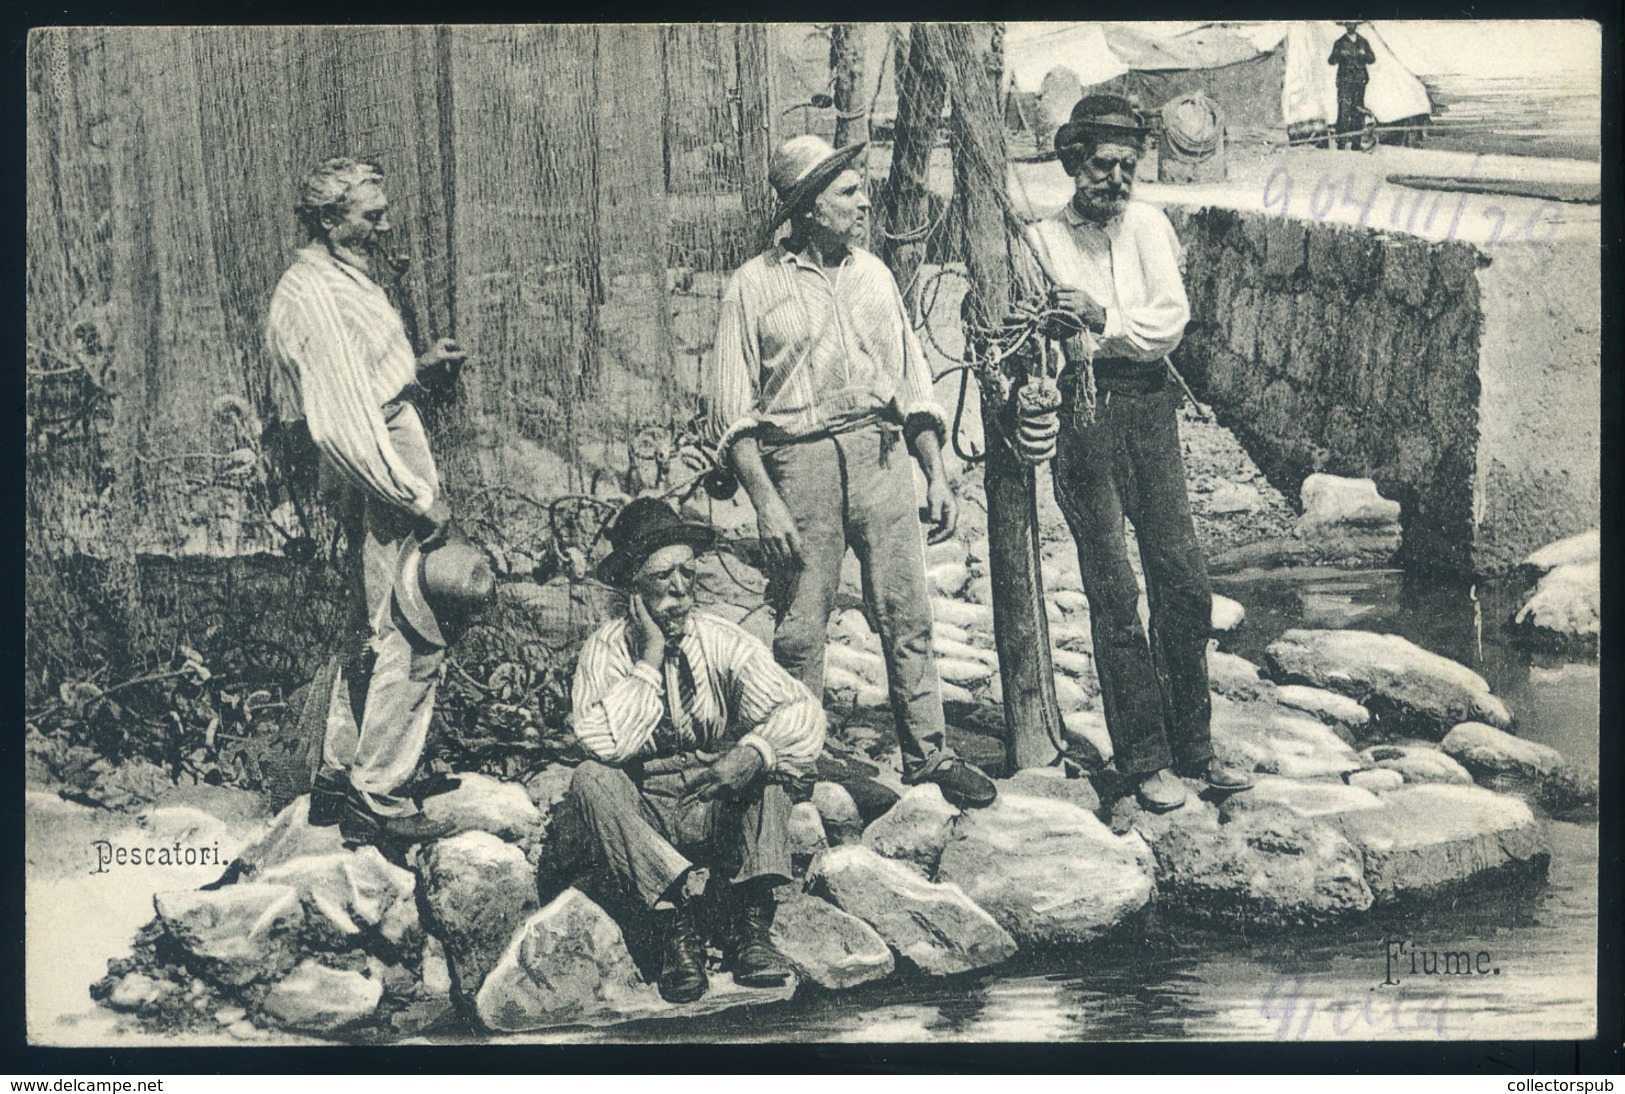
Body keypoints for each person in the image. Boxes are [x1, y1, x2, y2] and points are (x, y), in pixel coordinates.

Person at [704, 134, 996, 811]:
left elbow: (912, 382)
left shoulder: (875, 276)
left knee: (906, 610)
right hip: (797, 462)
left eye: (860, 189)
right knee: (801, 626)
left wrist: (935, 472)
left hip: (880, 455)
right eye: (847, 192)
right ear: (807, 207)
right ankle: (798, 762)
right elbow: (731, 412)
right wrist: (767, 505)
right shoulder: (751, 287)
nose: (863, 201)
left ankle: (929, 753)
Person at [1022, 95, 1252, 813]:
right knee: (1114, 591)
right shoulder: (1037, 243)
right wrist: (1059, 333)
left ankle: (1195, 746)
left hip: (1149, 409)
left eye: (1126, 166)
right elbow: (1036, 338)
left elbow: (1169, 323)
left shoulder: (1149, 226)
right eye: (1100, 166)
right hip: (1083, 415)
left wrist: (1100, 319)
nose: (1115, 179)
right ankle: (1144, 757)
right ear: (1071, 164)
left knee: (1182, 582)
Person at [264, 157, 468, 845]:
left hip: (385, 454)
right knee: (416, 623)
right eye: (370, 215)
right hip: (378, 468)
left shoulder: (343, 279)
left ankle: (340, 774)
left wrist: (414, 369)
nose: (384, 225)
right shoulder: (310, 293)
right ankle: (376, 792)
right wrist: (412, 496)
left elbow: (365, 381)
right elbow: (342, 420)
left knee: (372, 626)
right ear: (328, 219)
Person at [563, 498, 825, 1004]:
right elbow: (602, 742)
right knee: (589, 780)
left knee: (774, 760)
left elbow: (804, 710)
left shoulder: (720, 638)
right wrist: (650, 659)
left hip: (714, 801)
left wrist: (753, 753)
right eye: (664, 576)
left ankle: (748, 927)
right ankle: (673, 930)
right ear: (634, 587)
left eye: (688, 573)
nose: (681, 589)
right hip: (648, 815)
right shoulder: (606, 648)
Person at [1328, 21, 1377, 150]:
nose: (1350, 26)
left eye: (1352, 24)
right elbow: (1331, 61)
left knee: (1358, 110)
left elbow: (1372, 59)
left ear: (1356, 25)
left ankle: (1356, 142)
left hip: (1360, 81)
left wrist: (1364, 55)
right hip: (1345, 81)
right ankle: (1341, 142)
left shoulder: (1363, 42)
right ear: (1345, 26)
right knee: (1344, 110)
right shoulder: (1339, 42)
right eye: (1347, 24)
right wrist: (1339, 55)